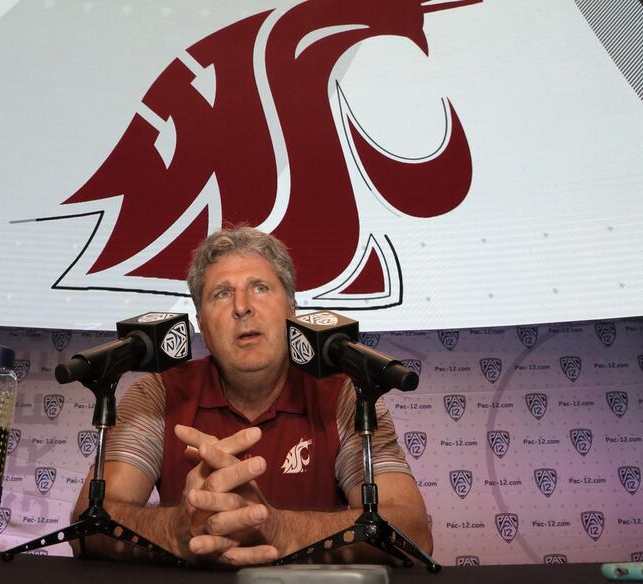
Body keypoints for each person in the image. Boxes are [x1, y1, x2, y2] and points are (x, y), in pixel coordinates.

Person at [71, 225, 431, 566]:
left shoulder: (345, 395)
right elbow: (87, 524)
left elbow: (413, 534)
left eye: (260, 287)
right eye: (222, 293)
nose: (241, 306)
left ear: (292, 311)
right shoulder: (159, 392)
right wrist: (175, 531)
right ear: (202, 326)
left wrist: (275, 528)